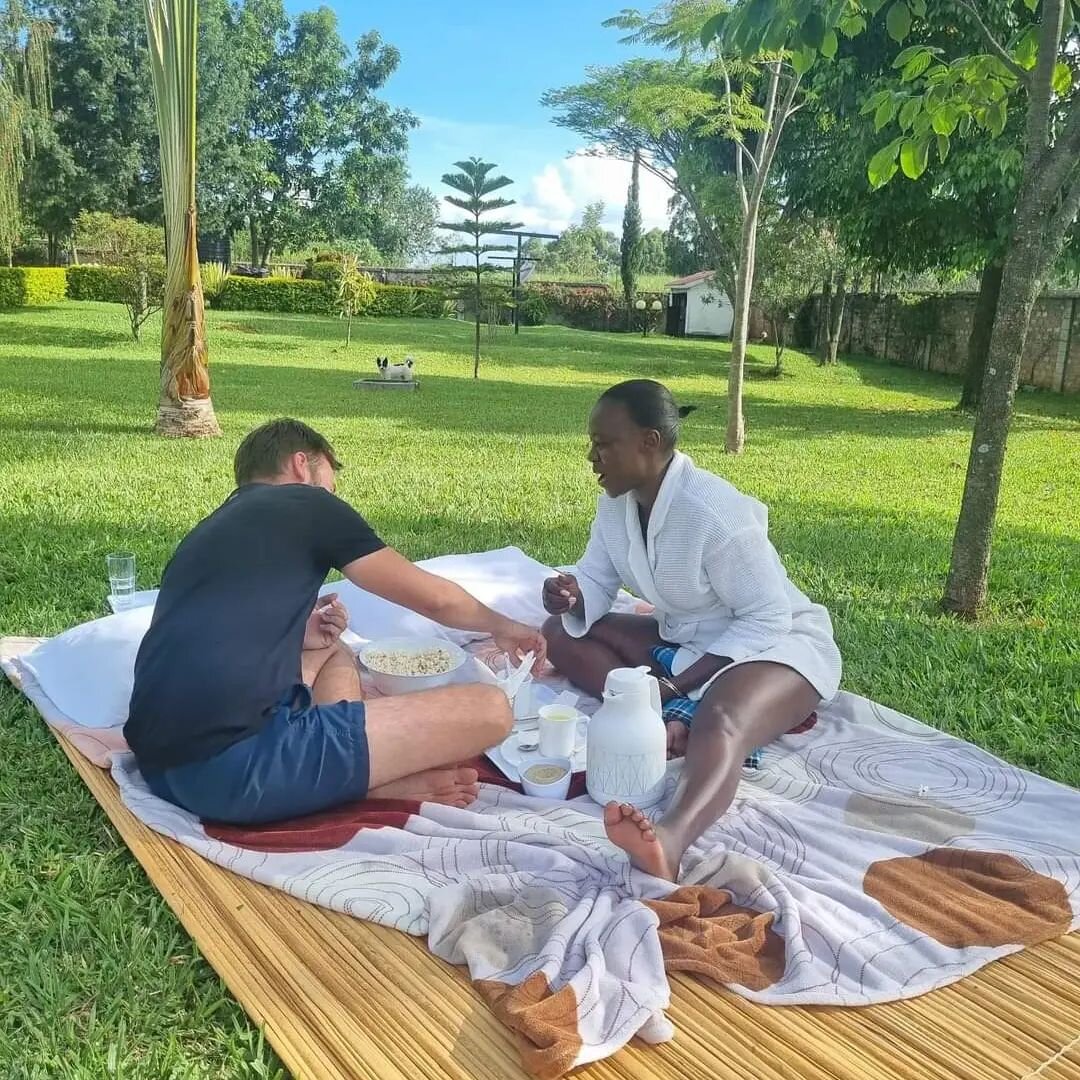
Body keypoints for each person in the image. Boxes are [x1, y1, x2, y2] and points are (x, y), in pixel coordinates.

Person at [125, 418, 545, 826]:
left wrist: (300, 635)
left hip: (160, 765)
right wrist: (505, 626)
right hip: (237, 770)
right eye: (331, 481)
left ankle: (342, 771)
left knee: (332, 645)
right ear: (301, 463)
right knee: (491, 708)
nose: (333, 493)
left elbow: (216, 635)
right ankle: (365, 786)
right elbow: (435, 600)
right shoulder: (309, 504)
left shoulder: (214, 527)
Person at [542, 380, 841, 881]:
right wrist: (572, 594)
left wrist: (680, 684)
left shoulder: (714, 513)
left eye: (604, 444)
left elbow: (767, 616)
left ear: (650, 443)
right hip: (688, 638)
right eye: (591, 444)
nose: (592, 457)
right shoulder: (616, 503)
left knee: (721, 720)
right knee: (560, 633)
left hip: (779, 645)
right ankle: (662, 712)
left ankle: (672, 838)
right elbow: (596, 577)